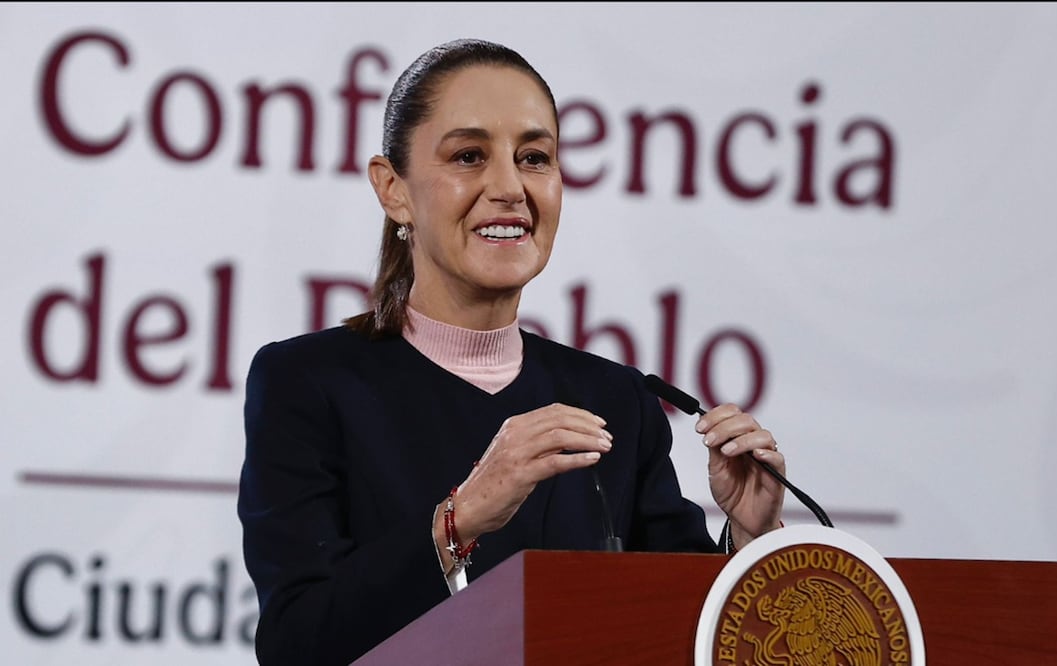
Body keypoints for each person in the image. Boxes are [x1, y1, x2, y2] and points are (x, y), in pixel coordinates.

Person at [237, 38, 786, 666]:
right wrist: (460, 519)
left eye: (534, 158)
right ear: (393, 189)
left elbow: (680, 631)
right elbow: (298, 642)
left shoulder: (616, 400)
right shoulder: (308, 383)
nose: (509, 187)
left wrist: (751, 539)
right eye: (469, 156)